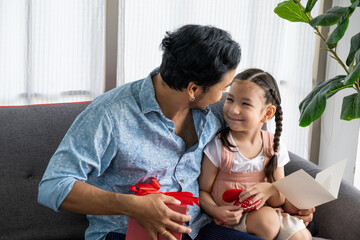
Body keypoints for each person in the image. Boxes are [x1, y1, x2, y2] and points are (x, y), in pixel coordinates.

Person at [38, 24, 313, 240]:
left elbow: (263, 147)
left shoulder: (218, 111)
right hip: (124, 233)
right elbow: (53, 187)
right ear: (193, 89)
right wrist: (133, 205)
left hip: (199, 229)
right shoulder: (111, 114)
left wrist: (293, 203)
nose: (226, 97)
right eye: (223, 88)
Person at [198, 68, 313, 240]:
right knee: (267, 223)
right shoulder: (219, 145)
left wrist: (271, 189)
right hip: (235, 218)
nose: (233, 109)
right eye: (230, 99)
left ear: (267, 113)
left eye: (245, 104)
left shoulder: (274, 145)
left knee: (302, 235)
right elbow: (202, 190)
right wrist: (217, 211)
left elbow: (279, 199)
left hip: (270, 212)